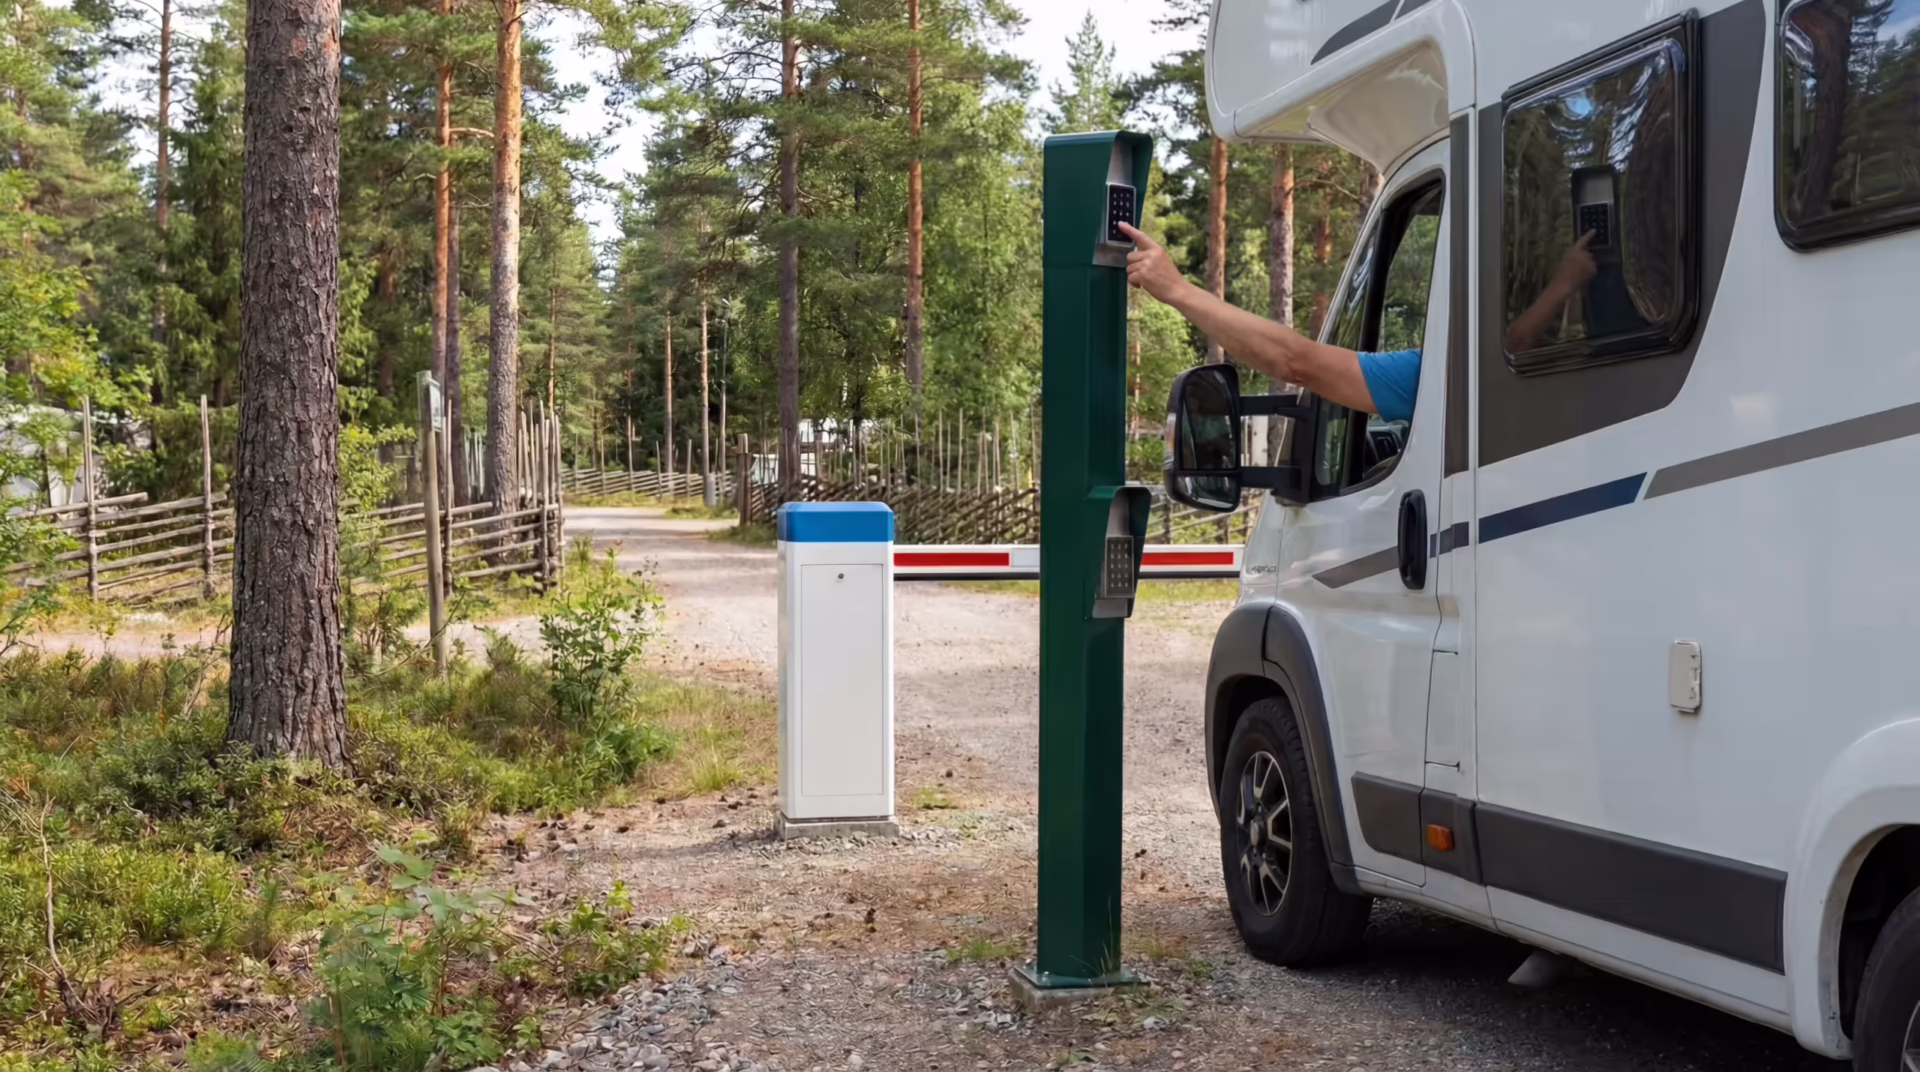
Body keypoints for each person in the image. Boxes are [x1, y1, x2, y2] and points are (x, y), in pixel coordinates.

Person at [1116, 221, 1599, 419]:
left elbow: (1293, 361)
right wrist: (1564, 286)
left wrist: (1178, 291)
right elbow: (1517, 337)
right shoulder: (1571, 379)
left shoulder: (1439, 378)